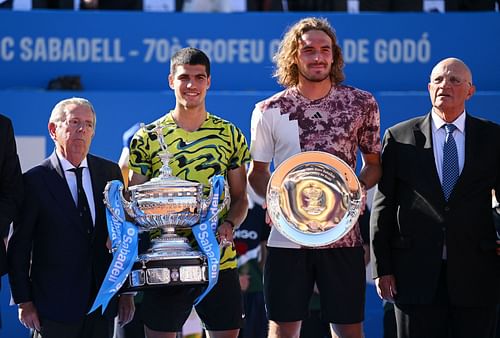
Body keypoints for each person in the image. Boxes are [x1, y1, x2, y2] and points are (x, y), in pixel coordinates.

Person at [248, 17, 382, 338]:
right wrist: (277, 202)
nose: (318, 57)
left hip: (343, 236)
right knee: (283, 328)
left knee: (348, 329)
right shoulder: (269, 110)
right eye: (309, 50)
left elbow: (374, 164)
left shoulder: (361, 104)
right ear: (295, 56)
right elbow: (258, 174)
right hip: (287, 238)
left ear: (334, 56)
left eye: (325, 50)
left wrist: (352, 193)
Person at [370, 57, 500, 338]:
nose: (445, 85)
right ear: (429, 88)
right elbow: (383, 205)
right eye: (439, 80)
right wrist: (382, 268)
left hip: (477, 273)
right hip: (413, 275)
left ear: (470, 91)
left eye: (455, 80)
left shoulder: (493, 138)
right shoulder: (399, 137)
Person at [128, 47, 250, 338]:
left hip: (219, 259)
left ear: (209, 82)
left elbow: (241, 197)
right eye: (184, 78)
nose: (191, 85)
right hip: (163, 261)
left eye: (199, 77)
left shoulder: (230, 134)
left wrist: (229, 225)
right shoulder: (147, 136)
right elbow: (134, 199)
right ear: (171, 80)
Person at [7, 97, 135, 338]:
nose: (82, 130)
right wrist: (24, 301)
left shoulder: (109, 173)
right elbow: (19, 247)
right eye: (74, 122)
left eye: (88, 124)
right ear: (53, 130)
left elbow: (124, 237)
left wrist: (126, 292)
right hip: (53, 309)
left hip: (101, 305)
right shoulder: (34, 181)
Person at [234, 185, 270, 338]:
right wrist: (235, 278)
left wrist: (261, 277)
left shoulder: (258, 212)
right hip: (226, 286)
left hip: (255, 288)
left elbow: (265, 249)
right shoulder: (220, 210)